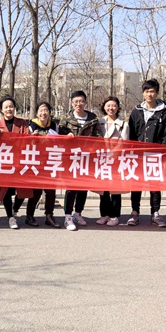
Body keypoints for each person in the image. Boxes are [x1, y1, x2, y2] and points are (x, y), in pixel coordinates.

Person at [127, 79, 166, 227]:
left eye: (152, 91)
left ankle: (155, 213)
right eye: (147, 91)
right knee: (136, 185)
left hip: (155, 155)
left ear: (157, 93)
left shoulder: (164, 112)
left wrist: (163, 151)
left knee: (155, 185)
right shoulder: (136, 111)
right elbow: (131, 133)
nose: (150, 94)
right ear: (143, 93)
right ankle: (135, 213)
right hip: (138, 155)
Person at [58, 90, 101, 231]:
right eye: (76, 102)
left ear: (85, 103)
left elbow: (98, 137)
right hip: (71, 158)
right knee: (71, 188)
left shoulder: (93, 119)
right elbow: (59, 138)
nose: (78, 104)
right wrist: (67, 138)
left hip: (87, 158)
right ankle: (68, 216)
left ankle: (78, 213)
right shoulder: (66, 120)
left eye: (81, 101)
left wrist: (92, 147)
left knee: (83, 187)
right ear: (72, 103)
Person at [0, 95, 35, 229]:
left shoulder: (22, 123)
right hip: (5, 162)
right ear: (1, 110)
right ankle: (10, 217)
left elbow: (27, 139)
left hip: (19, 161)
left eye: (11, 106)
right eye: (6, 107)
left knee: (22, 189)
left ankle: (15, 209)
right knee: (6, 190)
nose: (8, 109)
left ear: (14, 108)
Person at [96, 96, 129, 227]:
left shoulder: (123, 124)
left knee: (115, 190)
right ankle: (104, 214)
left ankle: (115, 215)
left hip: (116, 160)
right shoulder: (99, 123)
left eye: (114, 105)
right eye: (108, 105)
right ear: (104, 107)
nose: (111, 108)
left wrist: (113, 153)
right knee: (103, 189)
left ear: (118, 107)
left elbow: (124, 143)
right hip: (101, 159)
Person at [29, 101, 61, 228]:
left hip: (50, 161)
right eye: (41, 110)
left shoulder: (54, 125)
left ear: (49, 113)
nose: (43, 113)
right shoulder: (32, 125)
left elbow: (60, 140)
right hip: (36, 162)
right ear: (37, 113)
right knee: (36, 191)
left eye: (46, 110)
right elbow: (25, 143)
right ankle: (29, 216)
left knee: (51, 191)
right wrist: (32, 138)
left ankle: (49, 215)